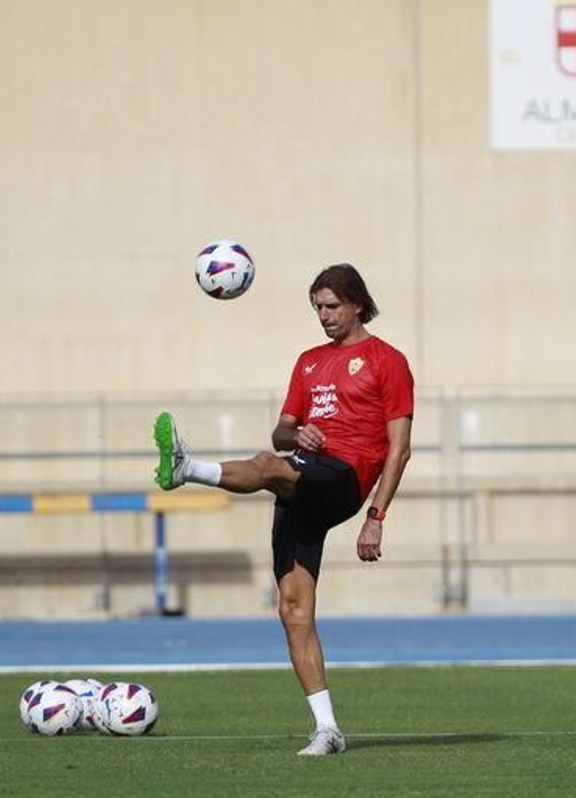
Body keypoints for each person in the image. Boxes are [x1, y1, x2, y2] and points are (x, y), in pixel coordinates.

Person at [152, 263, 414, 756]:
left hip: (344, 476)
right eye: (317, 307)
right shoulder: (309, 362)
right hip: (303, 474)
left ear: (358, 303)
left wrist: (375, 518)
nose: (324, 316)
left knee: (268, 467)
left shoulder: (387, 360)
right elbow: (282, 431)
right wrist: (299, 433)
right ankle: (328, 730)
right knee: (293, 611)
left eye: (332, 306)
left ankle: (187, 468)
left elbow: (399, 449)